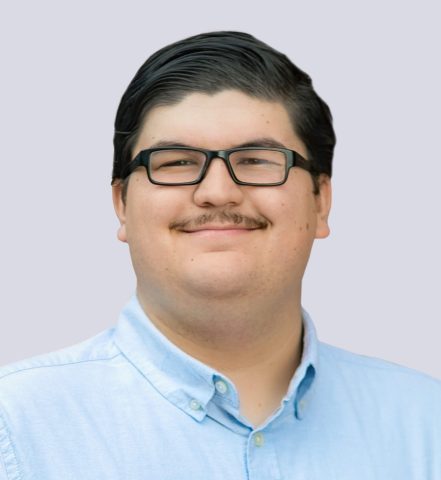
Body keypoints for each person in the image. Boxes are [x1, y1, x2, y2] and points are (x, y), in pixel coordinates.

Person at [0, 31, 439, 480]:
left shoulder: (426, 423)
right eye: (175, 162)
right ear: (122, 204)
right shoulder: (14, 428)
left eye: (257, 160)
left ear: (320, 200)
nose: (217, 191)